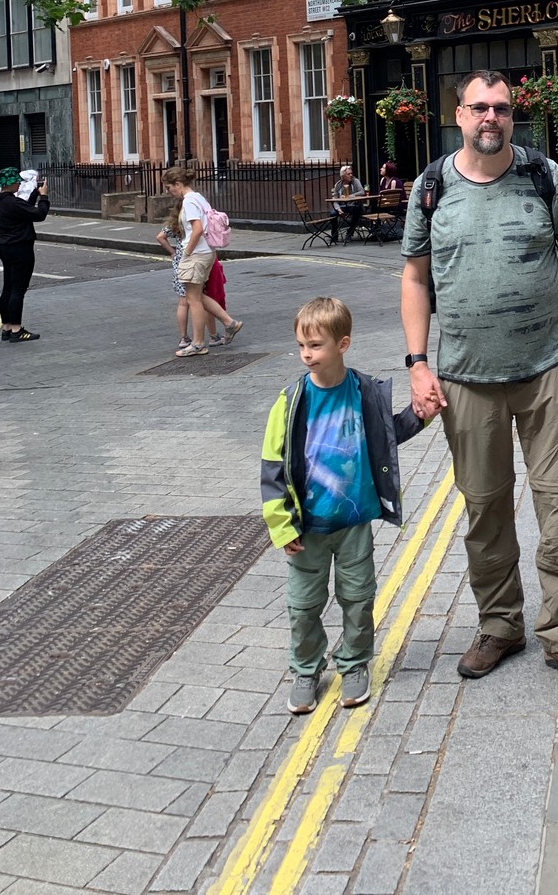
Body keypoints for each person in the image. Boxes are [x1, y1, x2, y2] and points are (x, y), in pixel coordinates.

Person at [400, 70, 558, 687]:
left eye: (502, 108)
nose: (491, 117)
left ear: (513, 116)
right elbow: (414, 277)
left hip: (550, 368)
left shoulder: (545, 176)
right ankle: (499, 624)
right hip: (466, 378)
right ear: (459, 115)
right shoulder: (432, 187)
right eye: (479, 107)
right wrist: (417, 363)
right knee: (484, 506)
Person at [260, 297, 425, 715]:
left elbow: (387, 436)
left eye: (315, 345)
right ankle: (306, 669)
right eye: (302, 346)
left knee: (358, 597)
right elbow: (272, 466)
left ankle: (353, 663)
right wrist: (282, 525)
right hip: (308, 528)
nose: (306, 354)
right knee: (303, 605)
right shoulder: (291, 401)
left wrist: (421, 415)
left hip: (354, 522)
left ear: (343, 344)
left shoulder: (364, 392)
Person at [163, 165, 232, 355]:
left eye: (169, 187)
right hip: (207, 252)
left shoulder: (189, 201)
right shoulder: (199, 198)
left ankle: (198, 343)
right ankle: (229, 323)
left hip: (196, 254)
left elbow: (198, 229)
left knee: (193, 300)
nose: (169, 192)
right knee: (197, 296)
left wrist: (186, 252)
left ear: (178, 184)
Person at [156, 207, 240, 352]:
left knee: (183, 302)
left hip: (180, 263)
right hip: (193, 259)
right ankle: (214, 335)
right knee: (200, 298)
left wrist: (173, 253)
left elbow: (160, 237)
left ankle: (184, 338)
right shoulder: (195, 221)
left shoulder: (175, 223)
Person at [0, 165, 49, 342]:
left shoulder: (0, 201)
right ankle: (17, 330)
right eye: (17, 182)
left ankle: (7, 327)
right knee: (18, 290)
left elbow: (24, 211)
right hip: (20, 249)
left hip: (5, 248)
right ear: (11, 183)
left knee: (8, 288)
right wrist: (44, 196)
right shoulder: (12, 203)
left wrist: (35, 194)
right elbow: (39, 214)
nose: (20, 185)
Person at [329, 165, 367, 244]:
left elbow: (362, 192)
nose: (351, 175)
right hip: (342, 207)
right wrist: (338, 210)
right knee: (332, 214)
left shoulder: (355, 181)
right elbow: (335, 200)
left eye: (351, 173)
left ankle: (349, 233)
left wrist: (350, 196)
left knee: (358, 210)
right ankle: (334, 236)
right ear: (343, 175)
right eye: (348, 174)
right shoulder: (338, 185)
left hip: (353, 205)